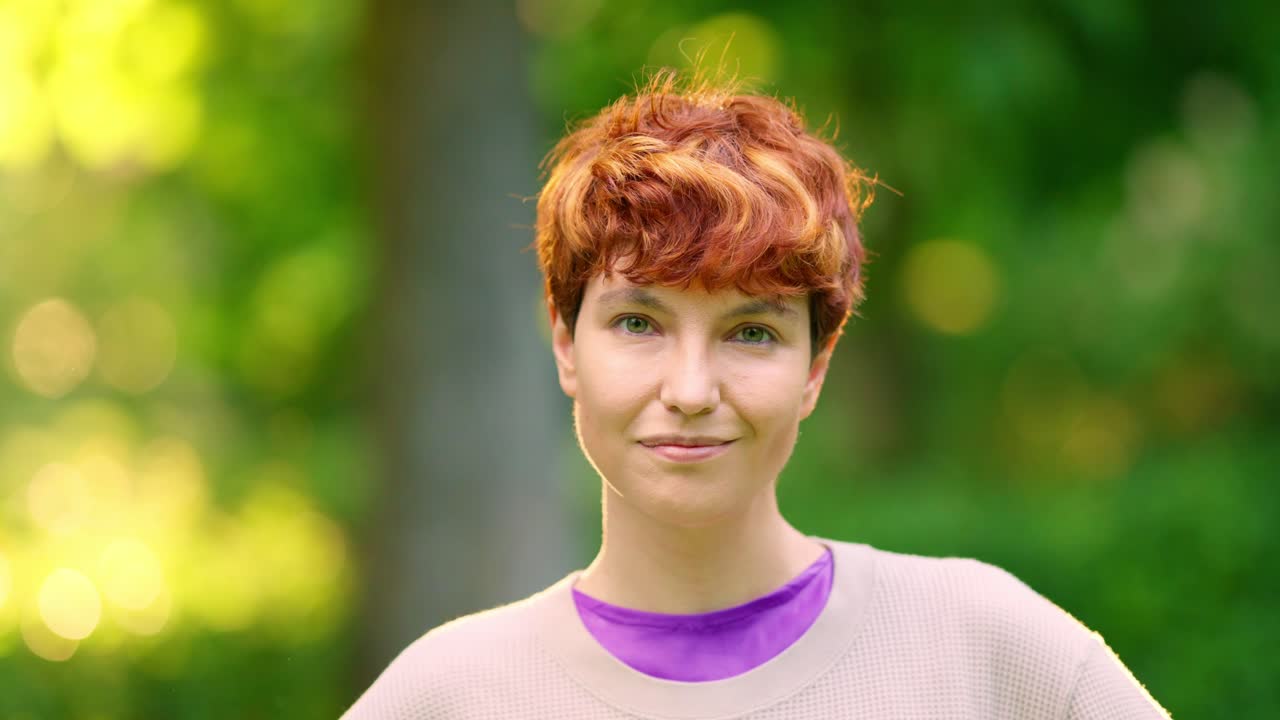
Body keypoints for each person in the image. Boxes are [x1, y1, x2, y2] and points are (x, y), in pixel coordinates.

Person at [341, 66, 1171, 719]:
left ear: (816, 366)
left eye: (751, 333)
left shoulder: (987, 650)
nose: (690, 390)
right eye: (638, 323)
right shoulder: (449, 696)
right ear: (565, 344)